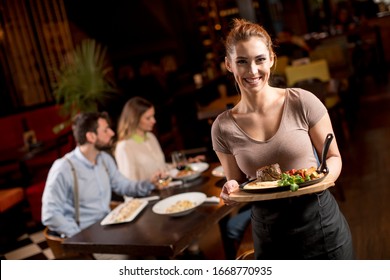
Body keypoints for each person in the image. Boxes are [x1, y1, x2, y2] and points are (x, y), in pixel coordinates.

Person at [211, 18, 354, 259]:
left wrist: (320, 180)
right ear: (228, 64)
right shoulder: (222, 127)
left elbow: (333, 156)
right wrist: (230, 191)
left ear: (272, 59)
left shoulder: (302, 102)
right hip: (270, 237)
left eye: (260, 60)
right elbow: (237, 183)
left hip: (321, 227)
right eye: (242, 62)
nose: (253, 71)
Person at [41, 112, 163, 240]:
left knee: (151, 237)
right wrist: (79, 237)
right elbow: (50, 214)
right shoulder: (64, 168)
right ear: (91, 137)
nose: (112, 133)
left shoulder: (104, 159)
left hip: (111, 229)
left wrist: (149, 182)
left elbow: (123, 186)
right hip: (87, 238)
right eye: (106, 130)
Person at [114, 96, 204, 182]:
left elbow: (162, 168)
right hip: (148, 197)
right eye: (148, 118)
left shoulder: (151, 137)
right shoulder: (124, 147)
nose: (154, 121)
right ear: (134, 119)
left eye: (153, 116)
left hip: (165, 188)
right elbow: (128, 185)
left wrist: (187, 164)